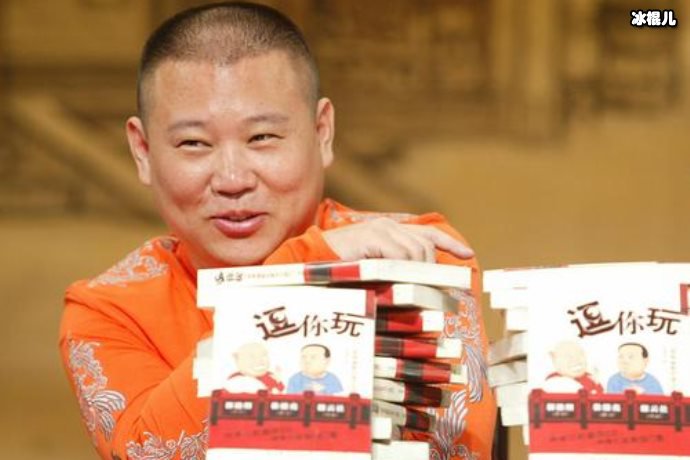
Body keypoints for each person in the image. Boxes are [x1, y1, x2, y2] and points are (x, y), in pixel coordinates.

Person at [59, 3, 496, 459]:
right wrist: (302, 271)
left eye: (262, 137)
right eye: (194, 143)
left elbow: (450, 449)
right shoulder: (109, 309)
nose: (232, 179)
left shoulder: (413, 253)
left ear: (322, 132)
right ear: (143, 152)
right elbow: (148, 451)